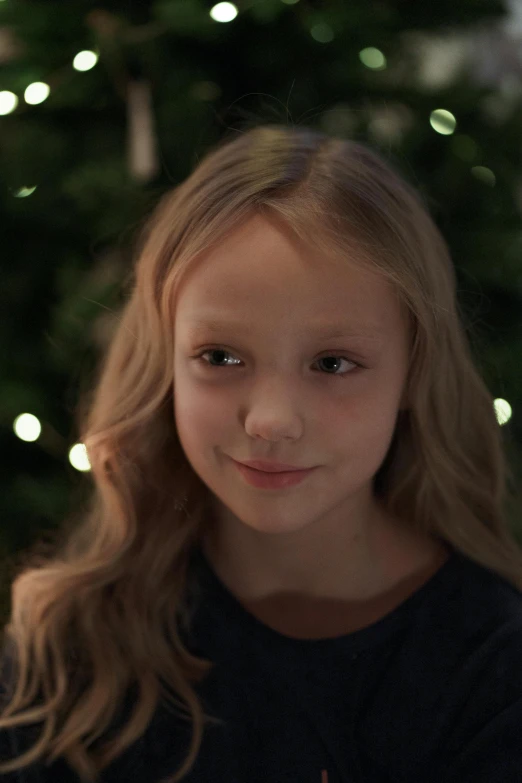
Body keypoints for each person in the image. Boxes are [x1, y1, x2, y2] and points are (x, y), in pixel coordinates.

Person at [1, 122, 522, 783]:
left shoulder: (493, 667)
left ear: (415, 371)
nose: (271, 419)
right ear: (166, 361)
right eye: (219, 356)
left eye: (333, 362)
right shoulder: (71, 648)